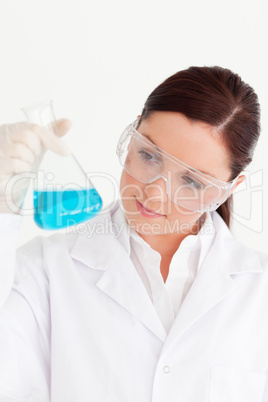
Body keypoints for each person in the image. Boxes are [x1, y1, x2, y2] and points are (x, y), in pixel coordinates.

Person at [0, 66, 267, 402]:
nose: (155, 193)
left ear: (227, 190)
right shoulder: (46, 269)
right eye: (149, 155)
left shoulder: (260, 292)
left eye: (192, 181)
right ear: (135, 129)